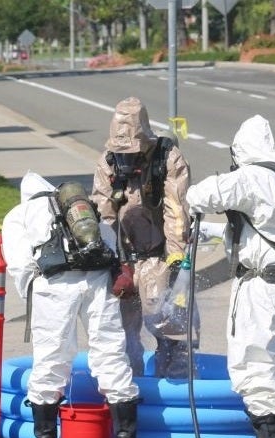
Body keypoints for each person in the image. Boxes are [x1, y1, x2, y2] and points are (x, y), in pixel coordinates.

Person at [185, 115, 275, 438]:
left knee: (256, 371)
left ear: (239, 149)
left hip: (261, 290)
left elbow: (200, 195)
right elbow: (258, 231)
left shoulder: (252, 177)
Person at [3, 172, 141, 438]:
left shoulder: (19, 214)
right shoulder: (78, 208)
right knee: (110, 352)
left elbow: (19, 263)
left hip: (54, 284)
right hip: (97, 278)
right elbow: (107, 240)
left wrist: (33, 289)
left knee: (51, 358)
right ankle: (125, 436)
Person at [89, 97, 193, 379]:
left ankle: (174, 384)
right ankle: (128, 393)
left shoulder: (167, 158)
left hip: (159, 254)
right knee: (120, 332)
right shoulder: (108, 161)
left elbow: (177, 212)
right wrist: (111, 261)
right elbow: (103, 213)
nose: (126, 159)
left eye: (131, 153)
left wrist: (175, 258)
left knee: (165, 320)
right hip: (125, 256)